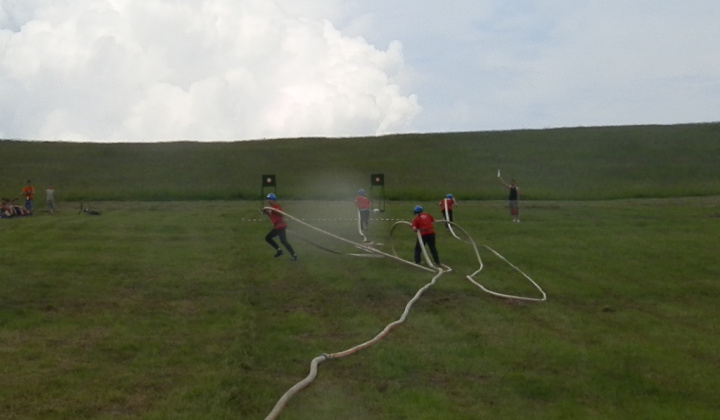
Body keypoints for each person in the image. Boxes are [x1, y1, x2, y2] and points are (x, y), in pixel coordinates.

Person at [262, 193, 298, 261]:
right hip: (277, 227)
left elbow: (281, 215)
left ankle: (293, 255)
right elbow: (272, 216)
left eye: (269, 199)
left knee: (283, 241)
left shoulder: (277, 206)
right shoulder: (271, 208)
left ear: (273, 200)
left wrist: (274, 210)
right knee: (269, 238)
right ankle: (280, 251)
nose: (268, 201)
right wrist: (266, 212)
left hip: (281, 226)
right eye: (268, 199)